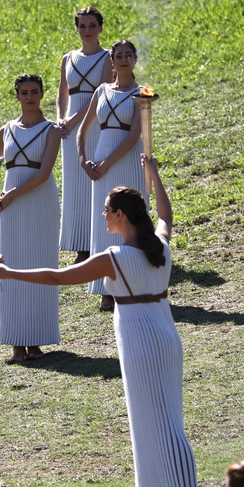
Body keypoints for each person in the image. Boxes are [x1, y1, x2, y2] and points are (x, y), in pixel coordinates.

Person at [0, 156, 210, 487]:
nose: (102, 216)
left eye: (107, 210)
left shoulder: (115, 258)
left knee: (161, 426)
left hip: (142, 341)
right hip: (163, 336)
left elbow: (57, 276)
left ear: (122, 215)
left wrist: (9, 273)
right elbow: (166, 215)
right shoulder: (157, 245)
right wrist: (154, 174)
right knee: (148, 425)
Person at [0, 74, 61, 362]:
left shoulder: (51, 130)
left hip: (38, 202)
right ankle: (17, 341)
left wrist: (10, 194)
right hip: (10, 207)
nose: (30, 97)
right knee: (12, 265)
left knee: (40, 264)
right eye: (24, 92)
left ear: (42, 94)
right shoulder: (6, 130)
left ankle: (37, 339)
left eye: (35, 92)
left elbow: (43, 174)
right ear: (16, 96)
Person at [76, 40, 147, 312]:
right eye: (119, 56)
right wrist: (84, 160)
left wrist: (105, 163)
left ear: (135, 59)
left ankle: (129, 284)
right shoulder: (102, 91)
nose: (124, 59)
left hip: (125, 162)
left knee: (128, 219)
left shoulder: (142, 93)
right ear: (112, 60)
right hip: (100, 165)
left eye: (129, 55)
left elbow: (133, 137)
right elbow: (83, 130)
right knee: (103, 221)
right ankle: (106, 289)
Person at [56, 7, 113, 264]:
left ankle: (98, 242)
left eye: (92, 25)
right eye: (82, 26)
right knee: (74, 186)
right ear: (76, 29)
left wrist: (73, 120)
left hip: (94, 125)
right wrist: (60, 119)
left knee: (95, 181)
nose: (87, 31)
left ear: (100, 28)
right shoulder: (68, 58)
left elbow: (98, 95)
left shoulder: (107, 58)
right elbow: (62, 93)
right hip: (69, 130)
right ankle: (81, 246)